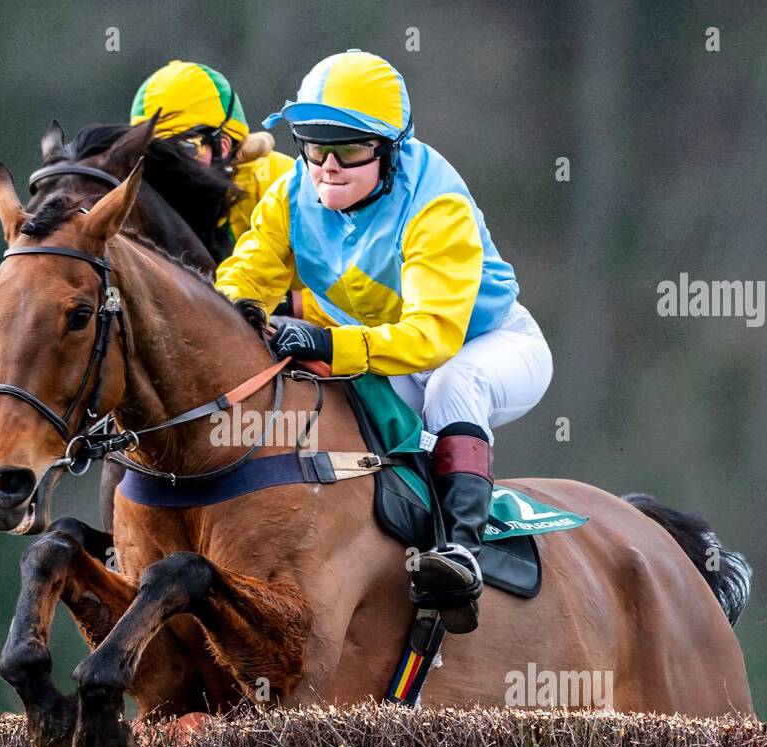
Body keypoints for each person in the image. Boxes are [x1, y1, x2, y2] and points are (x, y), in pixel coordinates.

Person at [214, 49, 553, 634]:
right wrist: (239, 307)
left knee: (453, 384)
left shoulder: (435, 205)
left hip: (490, 346)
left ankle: (462, 552)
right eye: (313, 146)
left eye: (347, 149)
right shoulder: (293, 193)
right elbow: (243, 275)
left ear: (391, 149)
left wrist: (324, 340)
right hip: (388, 353)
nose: (326, 167)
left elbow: (432, 340)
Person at [130, 60, 296, 265]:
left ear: (223, 146)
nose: (168, 165)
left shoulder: (280, 182)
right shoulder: (130, 204)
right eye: (154, 154)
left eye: (184, 149)